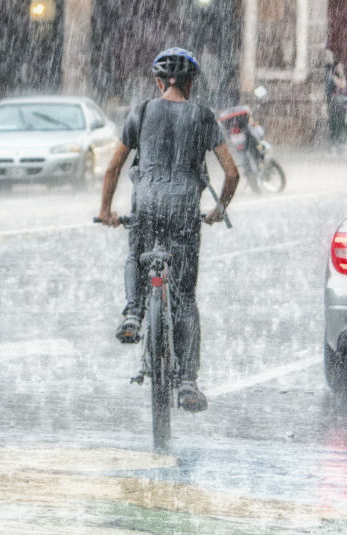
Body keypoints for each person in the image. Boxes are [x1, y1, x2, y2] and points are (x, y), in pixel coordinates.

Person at [96, 46, 239, 413]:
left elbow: (113, 168)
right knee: (185, 298)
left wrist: (106, 210)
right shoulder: (204, 117)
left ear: (159, 82)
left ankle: (133, 312)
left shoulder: (141, 112)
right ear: (191, 83)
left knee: (136, 254)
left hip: (146, 205)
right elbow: (232, 172)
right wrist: (218, 209)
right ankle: (188, 381)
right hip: (184, 212)